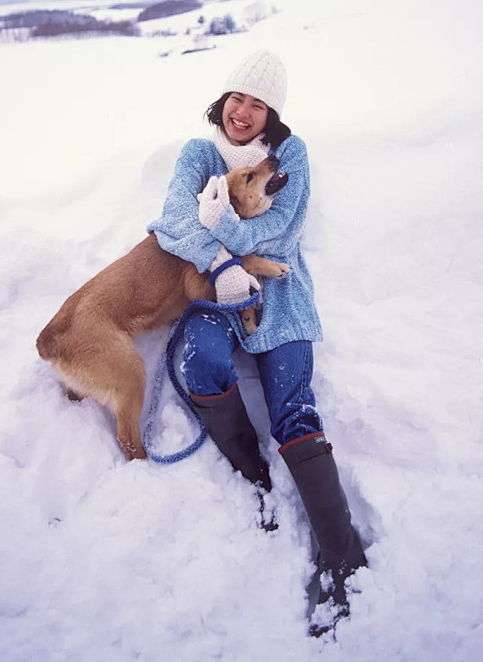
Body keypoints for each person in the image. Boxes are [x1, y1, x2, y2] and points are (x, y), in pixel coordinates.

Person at [148, 50, 366, 634]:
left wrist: (217, 221)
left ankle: (343, 562)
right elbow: (173, 218)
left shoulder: (289, 156)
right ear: (223, 100)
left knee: (293, 406)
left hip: (282, 290)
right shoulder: (199, 153)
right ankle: (257, 481)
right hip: (216, 289)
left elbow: (281, 228)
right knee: (200, 363)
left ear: (272, 113)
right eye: (237, 98)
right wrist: (221, 263)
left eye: (258, 103)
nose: (243, 112)